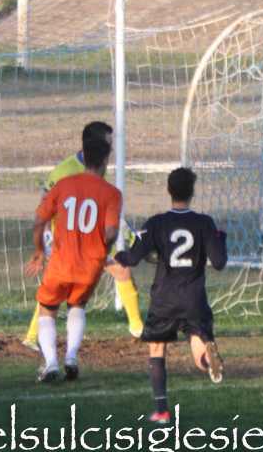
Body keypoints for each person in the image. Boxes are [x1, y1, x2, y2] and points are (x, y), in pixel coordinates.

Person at [112, 167, 227, 424]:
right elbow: (219, 262)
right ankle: (209, 359)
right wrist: (222, 235)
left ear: (168, 191)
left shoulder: (156, 223)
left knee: (157, 350)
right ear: (193, 193)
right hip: (193, 300)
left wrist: (121, 256)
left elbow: (133, 258)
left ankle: (162, 411)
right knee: (197, 346)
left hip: (164, 300)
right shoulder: (204, 223)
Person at [22, 121, 144, 350]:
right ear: (94, 145)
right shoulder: (64, 171)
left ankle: (137, 328)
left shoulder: (99, 166)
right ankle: (31, 337)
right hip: (67, 239)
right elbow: (44, 207)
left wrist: (128, 233)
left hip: (91, 236)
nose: (111, 149)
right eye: (108, 143)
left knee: (122, 269)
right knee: (56, 287)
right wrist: (46, 242)